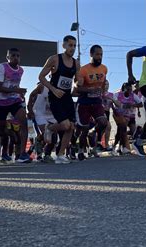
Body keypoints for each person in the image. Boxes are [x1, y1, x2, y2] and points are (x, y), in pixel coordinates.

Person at [38, 35, 80, 164]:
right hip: (55, 97)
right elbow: (41, 77)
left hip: (67, 97)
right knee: (65, 125)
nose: (72, 48)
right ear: (64, 45)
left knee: (71, 127)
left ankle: (61, 155)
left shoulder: (76, 63)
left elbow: (77, 81)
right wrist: (53, 89)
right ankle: (50, 128)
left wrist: (79, 86)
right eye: (70, 45)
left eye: (74, 46)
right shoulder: (54, 59)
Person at [0, 48, 31, 163]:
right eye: (13, 55)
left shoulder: (21, 70)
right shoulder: (2, 67)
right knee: (1, 130)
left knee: (23, 123)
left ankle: (22, 154)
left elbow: (15, 85)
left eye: (18, 56)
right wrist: (17, 90)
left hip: (14, 101)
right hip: (0, 102)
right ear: (8, 57)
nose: (16, 57)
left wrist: (18, 92)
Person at [73, 45, 109, 161]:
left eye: (101, 54)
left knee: (103, 122)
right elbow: (76, 89)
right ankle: (80, 150)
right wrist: (89, 90)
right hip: (84, 103)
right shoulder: (83, 70)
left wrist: (102, 93)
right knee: (84, 129)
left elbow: (103, 83)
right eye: (97, 54)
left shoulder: (104, 69)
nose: (100, 57)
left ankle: (93, 134)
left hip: (96, 101)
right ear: (91, 54)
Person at [27, 82, 57, 163]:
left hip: (52, 115)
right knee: (47, 133)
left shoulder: (61, 86)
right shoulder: (42, 86)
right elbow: (31, 95)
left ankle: (46, 154)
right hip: (40, 114)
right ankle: (40, 150)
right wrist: (30, 110)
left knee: (53, 137)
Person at [112, 83, 143, 155]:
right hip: (119, 115)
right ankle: (123, 147)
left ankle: (118, 146)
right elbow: (114, 103)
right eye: (128, 90)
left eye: (131, 90)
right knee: (123, 127)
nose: (130, 92)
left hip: (130, 115)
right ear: (124, 89)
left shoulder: (133, 95)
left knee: (131, 130)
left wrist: (133, 105)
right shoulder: (117, 95)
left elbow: (141, 104)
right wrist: (121, 106)